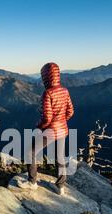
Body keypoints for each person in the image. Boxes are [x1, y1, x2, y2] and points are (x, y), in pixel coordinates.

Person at [18, 62, 74, 195]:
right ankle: (60, 186)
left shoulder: (47, 93)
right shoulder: (65, 90)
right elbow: (71, 111)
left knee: (30, 152)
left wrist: (39, 126)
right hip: (62, 129)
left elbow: (47, 117)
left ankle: (32, 182)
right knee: (60, 157)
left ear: (45, 77)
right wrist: (61, 121)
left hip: (50, 130)